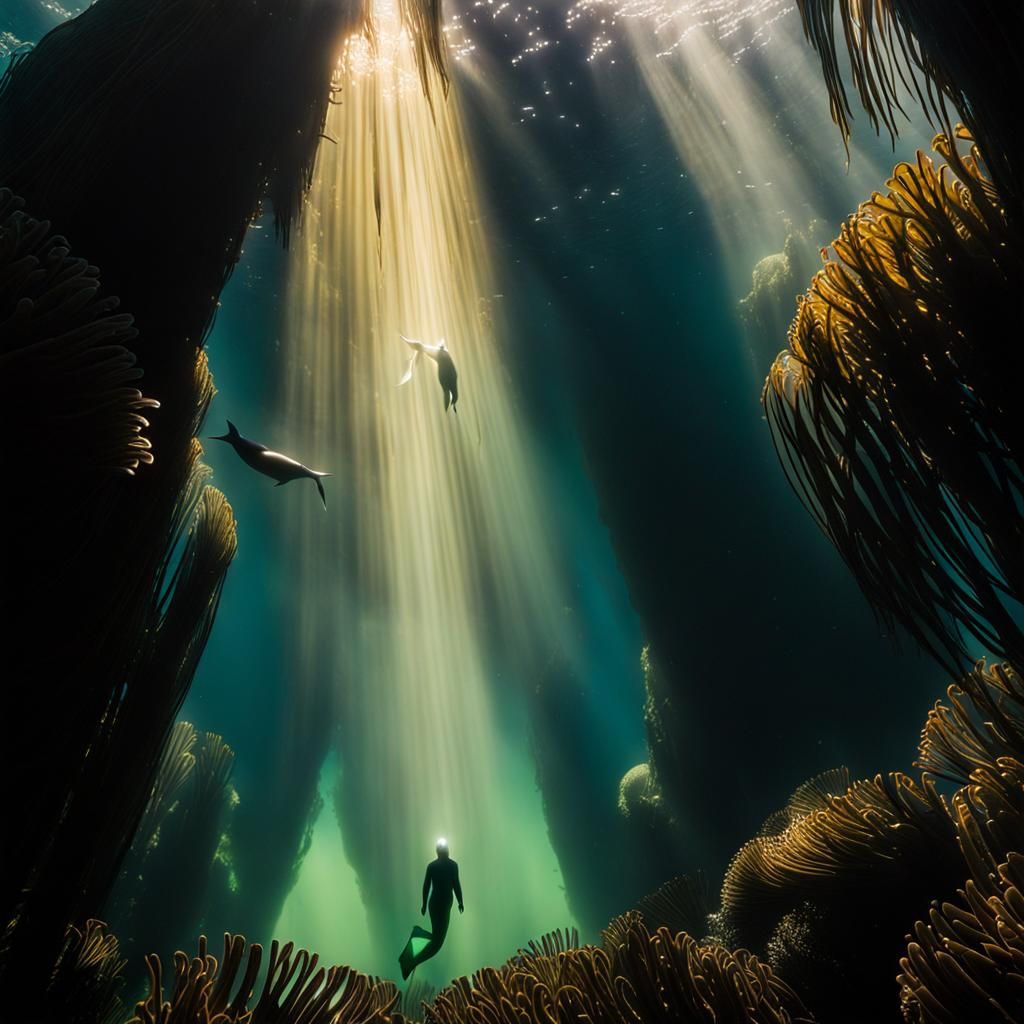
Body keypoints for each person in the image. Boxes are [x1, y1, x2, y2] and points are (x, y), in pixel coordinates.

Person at [398, 838, 464, 979]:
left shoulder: (435, 866)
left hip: (437, 904)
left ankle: (414, 947)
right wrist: (459, 901)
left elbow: (430, 886)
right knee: (437, 943)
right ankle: (410, 960)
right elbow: (430, 886)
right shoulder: (449, 866)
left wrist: (460, 901)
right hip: (441, 904)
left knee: (436, 940)